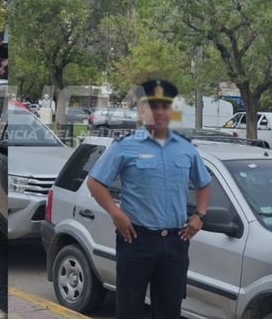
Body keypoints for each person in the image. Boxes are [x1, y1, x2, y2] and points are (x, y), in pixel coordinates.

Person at [86, 79, 212, 319]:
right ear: (142, 109)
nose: (160, 112)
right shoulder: (125, 146)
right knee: (129, 309)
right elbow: (95, 182)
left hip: (175, 242)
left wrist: (200, 215)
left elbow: (204, 183)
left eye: (165, 106)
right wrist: (116, 214)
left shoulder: (186, 148)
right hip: (136, 240)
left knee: (169, 310)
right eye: (153, 106)